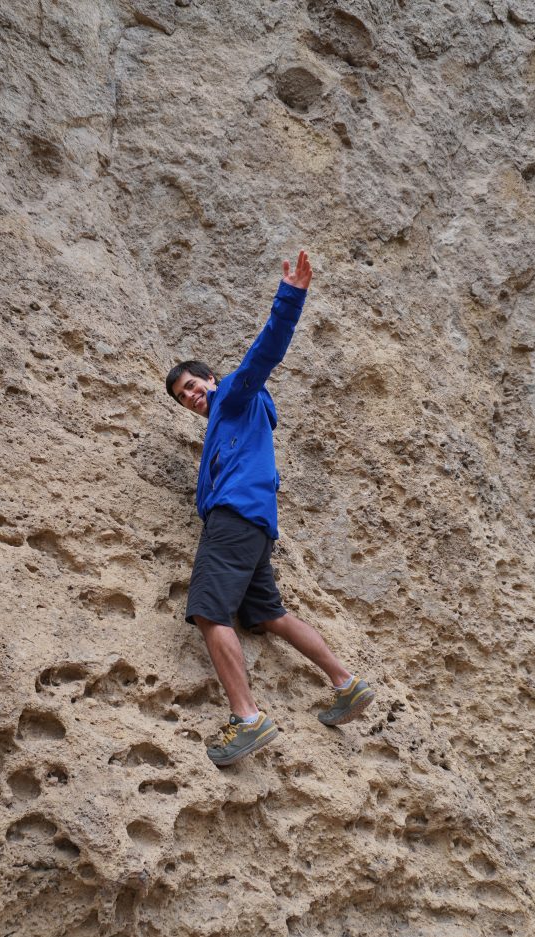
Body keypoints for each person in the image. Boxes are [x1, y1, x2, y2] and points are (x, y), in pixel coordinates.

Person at [165, 251, 375, 766]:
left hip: (235, 521)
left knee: (209, 612)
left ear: (211, 379)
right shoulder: (230, 424)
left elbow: (264, 353)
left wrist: (291, 297)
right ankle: (346, 684)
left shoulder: (234, 396)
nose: (191, 396)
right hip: (256, 526)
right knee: (269, 614)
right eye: (181, 397)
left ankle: (247, 718)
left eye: (194, 385)